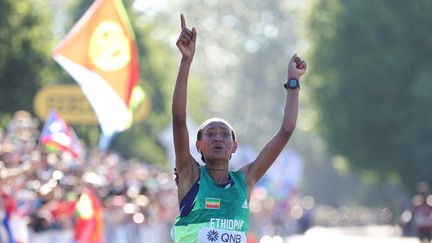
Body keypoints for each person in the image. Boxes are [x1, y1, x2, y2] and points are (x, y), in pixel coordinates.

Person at [171, 14, 307, 242]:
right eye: (210, 134)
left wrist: (293, 82)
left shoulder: (245, 180)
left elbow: (286, 130)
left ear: (234, 147)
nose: (218, 138)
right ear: (198, 146)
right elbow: (178, 119)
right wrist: (186, 61)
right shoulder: (190, 175)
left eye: (224, 135)